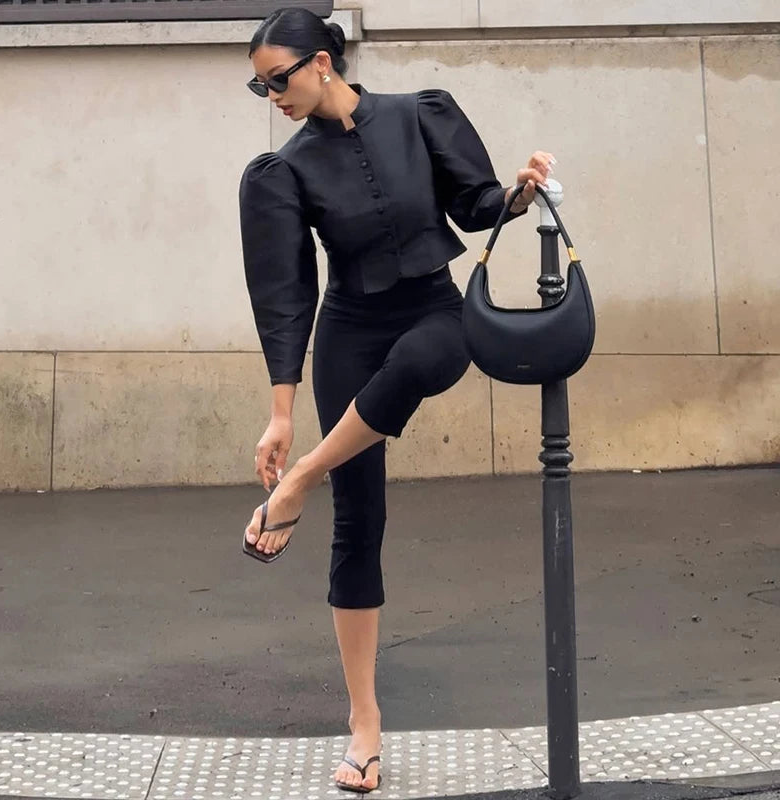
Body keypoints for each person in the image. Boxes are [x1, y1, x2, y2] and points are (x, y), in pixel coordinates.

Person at [238, 7, 554, 794]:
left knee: (425, 356)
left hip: (433, 313)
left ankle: (300, 479)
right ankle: (364, 722)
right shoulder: (285, 170)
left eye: (277, 79)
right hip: (349, 330)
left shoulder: (421, 114)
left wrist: (519, 192)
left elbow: (476, 205)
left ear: (320, 63)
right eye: (257, 85)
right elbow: (286, 295)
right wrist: (281, 411)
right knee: (361, 522)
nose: (269, 95)